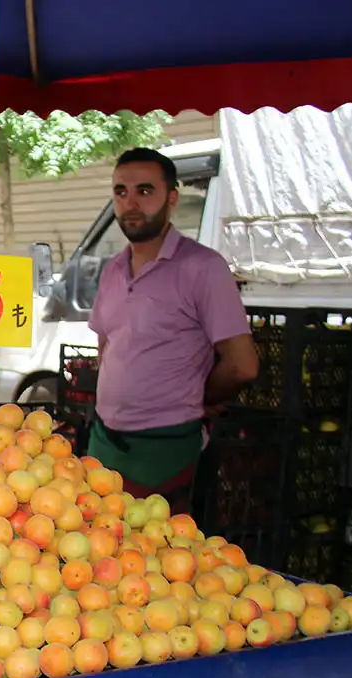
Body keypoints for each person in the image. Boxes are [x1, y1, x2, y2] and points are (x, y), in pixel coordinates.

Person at [86, 147, 260, 515]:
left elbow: (243, 365)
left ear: (172, 199)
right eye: (121, 192)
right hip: (104, 442)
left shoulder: (204, 268)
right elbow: (107, 347)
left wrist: (199, 396)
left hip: (164, 447)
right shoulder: (112, 269)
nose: (131, 203)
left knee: (157, 547)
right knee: (92, 544)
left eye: (145, 191)